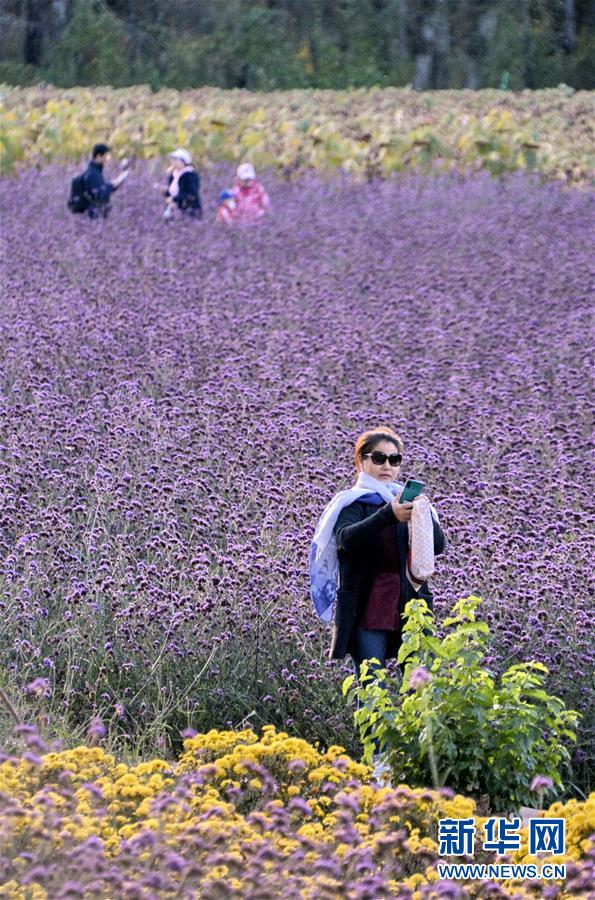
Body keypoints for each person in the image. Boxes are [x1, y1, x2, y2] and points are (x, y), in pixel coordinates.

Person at [310, 427, 445, 779]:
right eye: (379, 458)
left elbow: (439, 545)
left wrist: (421, 512)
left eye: (394, 460)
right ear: (361, 461)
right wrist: (388, 514)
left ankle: (417, 767)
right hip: (368, 610)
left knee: (417, 687)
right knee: (371, 689)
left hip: (411, 609)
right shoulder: (351, 504)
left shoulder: (407, 500)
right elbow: (345, 540)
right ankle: (381, 769)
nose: (387, 466)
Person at [82, 143, 128, 219]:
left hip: (99, 218)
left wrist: (115, 183)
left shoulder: (96, 171)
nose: (108, 158)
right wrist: (111, 185)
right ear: (99, 156)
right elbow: (99, 194)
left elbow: (100, 188)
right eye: (106, 156)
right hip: (96, 219)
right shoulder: (92, 173)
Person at [163, 149, 201, 220]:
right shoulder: (173, 175)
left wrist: (175, 199)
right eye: (172, 160)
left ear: (183, 161)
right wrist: (165, 192)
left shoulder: (190, 175)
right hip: (173, 210)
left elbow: (191, 193)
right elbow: (171, 192)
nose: (172, 162)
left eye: (175, 160)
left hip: (189, 210)